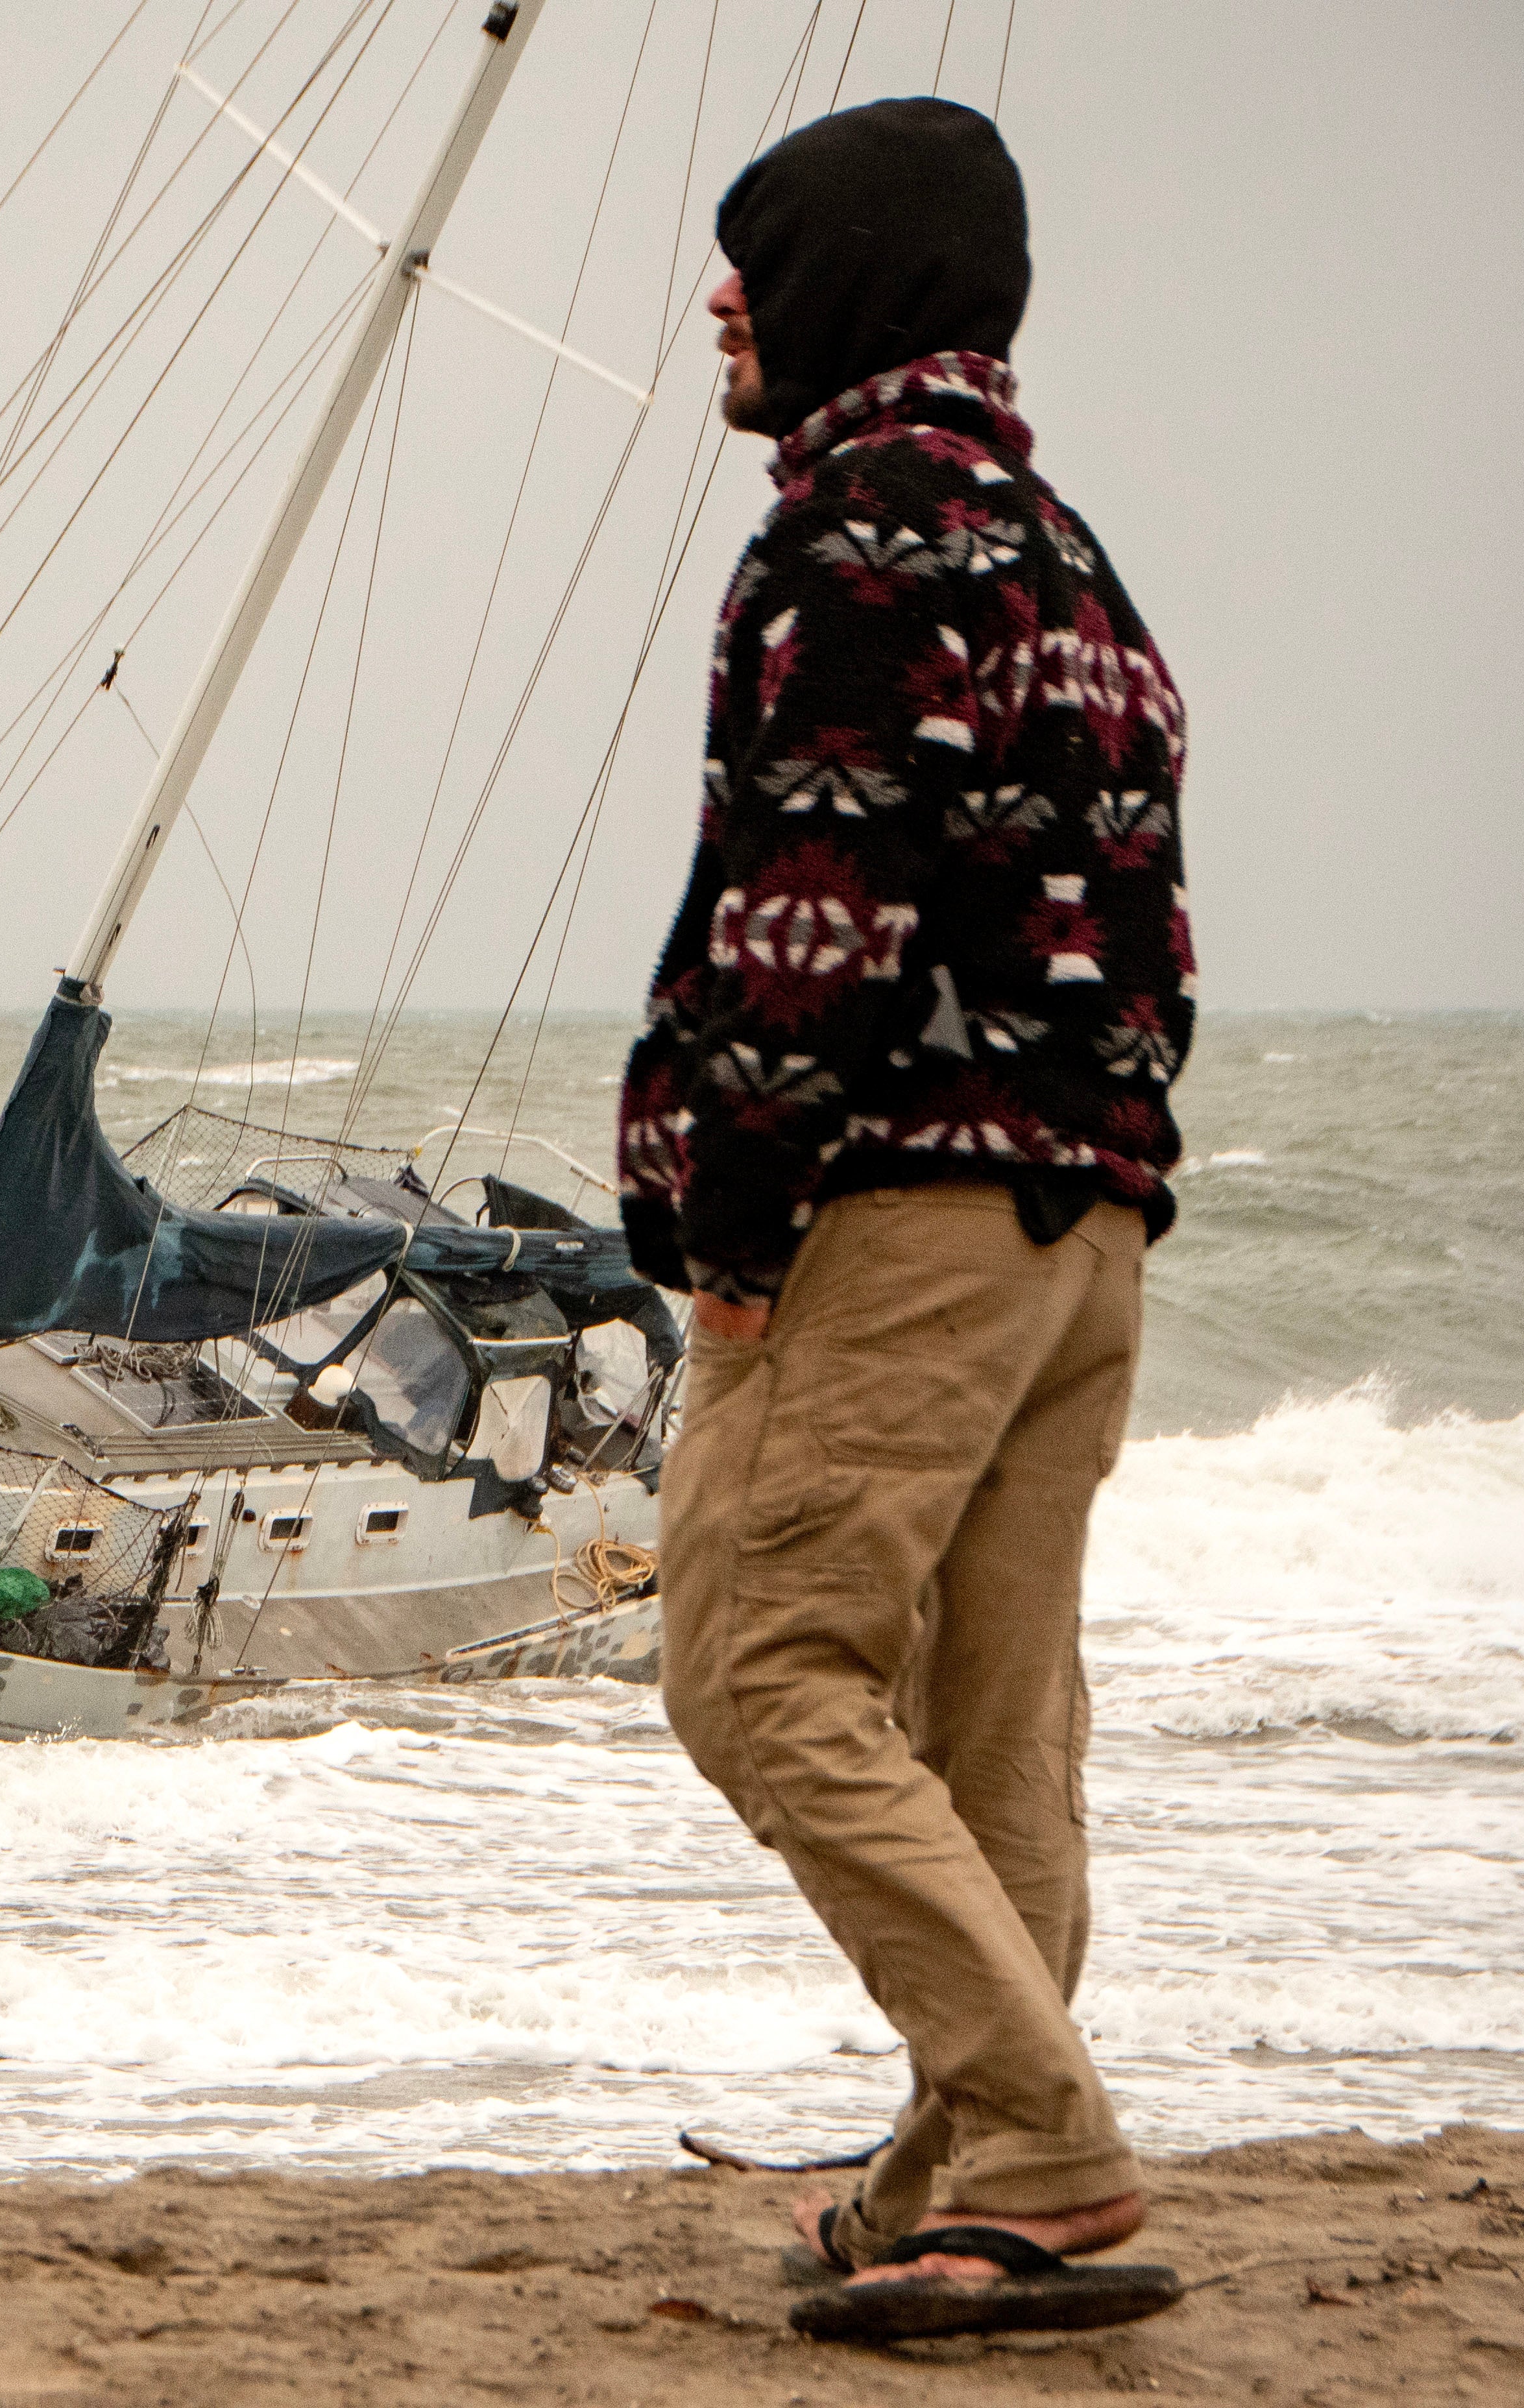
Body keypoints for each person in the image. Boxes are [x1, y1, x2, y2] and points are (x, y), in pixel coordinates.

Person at [613, 98, 1194, 2346]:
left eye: (752, 253)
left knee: (759, 1667)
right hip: (1082, 1224)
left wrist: (730, 1219)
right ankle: (958, 2188)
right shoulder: (1066, 558)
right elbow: (1139, 933)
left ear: (849, 277)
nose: (718, 298)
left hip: (887, 1209)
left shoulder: (849, 547)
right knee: (990, 1723)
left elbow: (810, 917)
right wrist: (1100, 1168)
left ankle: (1034, 2140)